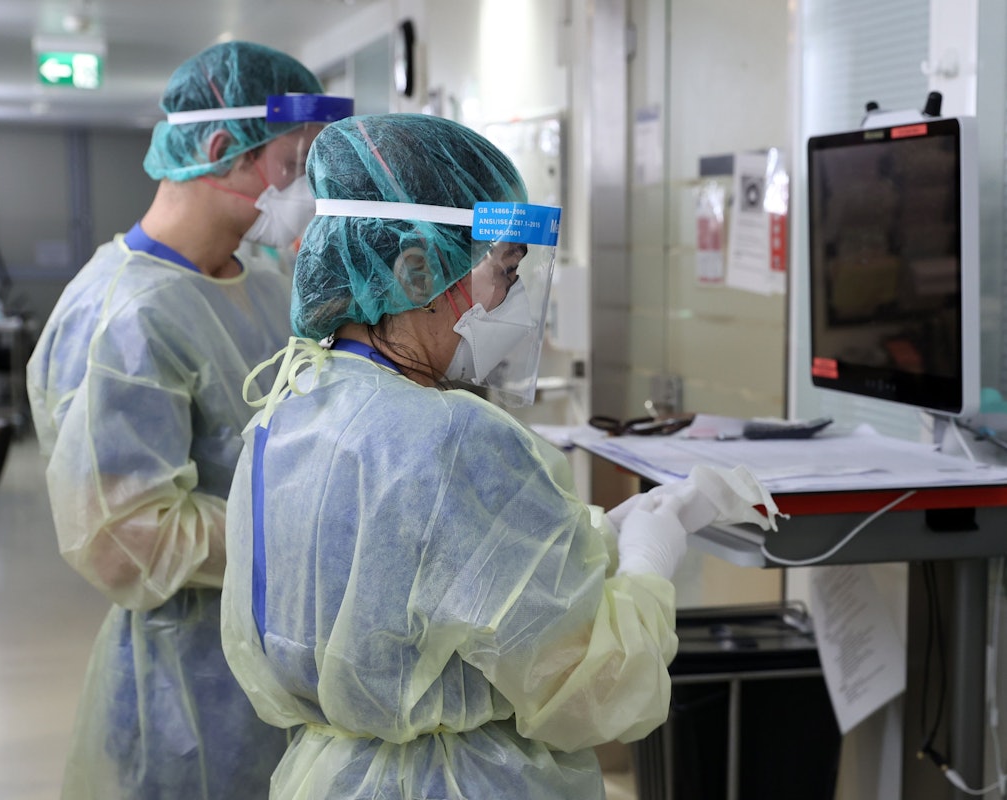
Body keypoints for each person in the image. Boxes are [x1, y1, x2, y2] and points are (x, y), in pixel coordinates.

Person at [219, 113, 781, 799]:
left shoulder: (292, 403)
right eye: (502, 269)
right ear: (415, 267)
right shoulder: (449, 438)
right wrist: (648, 558)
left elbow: (408, 586)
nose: (512, 299)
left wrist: (590, 537)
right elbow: (596, 692)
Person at [26, 41, 352, 799]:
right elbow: (122, 538)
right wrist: (311, 532)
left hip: (286, 667)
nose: (303, 187)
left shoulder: (268, 287)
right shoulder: (122, 319)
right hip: (190, 694)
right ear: (218, 149)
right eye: (291, 163)